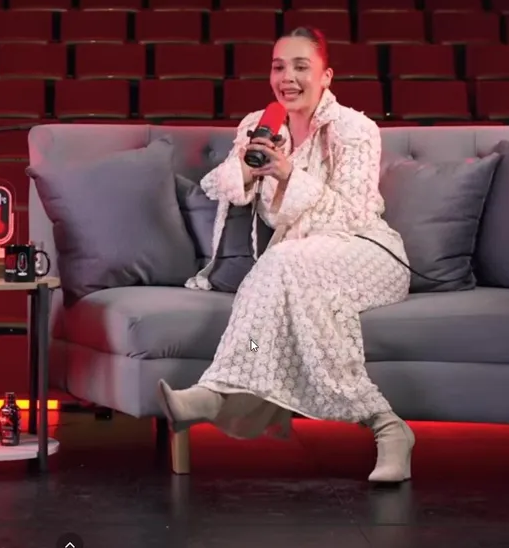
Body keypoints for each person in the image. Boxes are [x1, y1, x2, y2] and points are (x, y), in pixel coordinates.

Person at [157, 27, 415, 483]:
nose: (287, 78)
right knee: (275, 298)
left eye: (301, 67)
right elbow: (220, 186)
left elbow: (352, 214)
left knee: (280, 263)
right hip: (298, 263)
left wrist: (289, 173)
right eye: (279, 67)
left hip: (368, 251)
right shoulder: (261, 123)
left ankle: (214, 396)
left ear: (326, 76)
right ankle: (387, 427)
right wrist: (249, 166)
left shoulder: (355, 129)